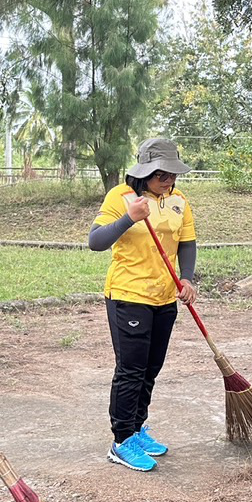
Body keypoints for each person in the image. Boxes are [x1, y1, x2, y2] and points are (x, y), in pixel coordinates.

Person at [88, 137, 198, 472]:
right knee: (131, 369)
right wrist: (129, 218)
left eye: (172, 175)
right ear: (145, 173)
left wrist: (188, 278)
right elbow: (95, 241)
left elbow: (187, 242)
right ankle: (121, 440)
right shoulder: (122, 198)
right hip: (128, 296)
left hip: (165, 297)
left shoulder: (179, 200)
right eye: (162, 175)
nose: (169, 181)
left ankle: (137, 428)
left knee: (151, 368)